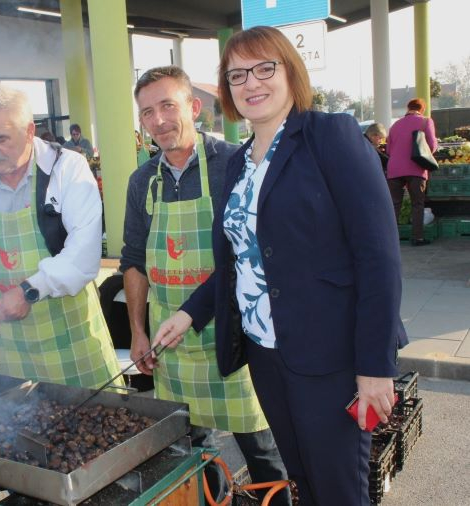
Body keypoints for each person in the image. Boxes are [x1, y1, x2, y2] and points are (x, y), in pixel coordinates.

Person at [151, 27, 406, 506]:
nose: (252, 83)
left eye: (266, 68)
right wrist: (188, 314)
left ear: (291, 71)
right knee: (305, 484)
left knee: (340, 492)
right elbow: (239, 262)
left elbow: (379, 258)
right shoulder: (239, 163)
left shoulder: (330, 136)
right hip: (267, 355)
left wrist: (375, 367)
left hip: (331, 358)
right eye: (238, 75)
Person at [121, 65, 289, 504]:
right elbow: (134, 261)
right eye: (147, 113)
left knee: (260, 445)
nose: (158, 120)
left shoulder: (235, 163)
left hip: (234, 334)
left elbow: (249, 253)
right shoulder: (142, 182)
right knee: (194, 449)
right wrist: (137, 331)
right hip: (170, 344)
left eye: (167, 106)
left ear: (194, 108)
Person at [0, 84, 122, 388]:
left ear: (29, 130)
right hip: (5, 343)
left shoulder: (66, 169)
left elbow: (84, 253)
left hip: (69, 335)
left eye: (1, 138)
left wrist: (30, 290)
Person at [387, 98, 437, 246]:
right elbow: (432, 147)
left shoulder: (394, 125)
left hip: (394, 169)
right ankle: (417, 238)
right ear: (422, 109)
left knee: (394, 204)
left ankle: (391, 240)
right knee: (417, 203)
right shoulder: (425, 122)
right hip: (415, 167)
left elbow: (389, 150)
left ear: (408, 108)